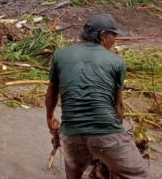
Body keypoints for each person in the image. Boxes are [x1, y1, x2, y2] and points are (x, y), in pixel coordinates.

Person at [45, 14, 148, 178]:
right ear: (102, 35)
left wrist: (50, 118)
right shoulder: (116, 61)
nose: (115, 40)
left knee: (75, 174)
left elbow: (51, 92)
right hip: (104, 133)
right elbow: (118, 106)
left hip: (70, 134)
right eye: (113, 35)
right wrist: (115, 133)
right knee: (139, 173)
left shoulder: (60, 55)